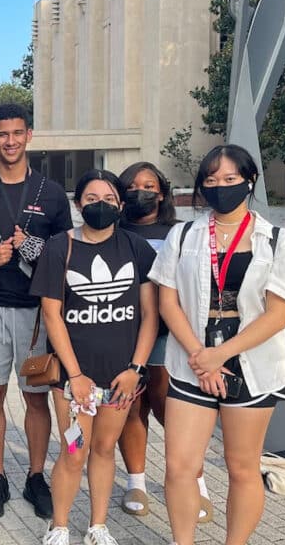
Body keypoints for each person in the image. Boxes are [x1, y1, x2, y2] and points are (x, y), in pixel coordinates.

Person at [149, 145, 285, 545]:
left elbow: (277, 314)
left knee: (242, 467)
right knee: (180, 466)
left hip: (252, 365)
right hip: (191, 362)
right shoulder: (183, 235)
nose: (220, 187)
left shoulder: (276, 241)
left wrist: (221, 354)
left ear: (249, 181)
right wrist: (204, 358)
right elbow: (168, 301)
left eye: (230, 179)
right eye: (211, 181)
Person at [0, 103, 72, 519]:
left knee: (35, 398)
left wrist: (31, 247)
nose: (9, 141)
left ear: (29, 135)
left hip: (38, 313)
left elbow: (66, 254)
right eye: (2, 134)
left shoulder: (51, 193)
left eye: (17, 133)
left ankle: (36, 476)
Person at [31, 170, 158, 545]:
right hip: (73, 381)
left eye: (107, 198)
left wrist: (136, 369)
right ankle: (59, 525)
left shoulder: (136, 248)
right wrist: (74, 375)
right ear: (77, 204)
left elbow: (150, 315)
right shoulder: (59, 247)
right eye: (90, 199)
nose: (99, 205)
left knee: (104, 450)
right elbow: (52, 314)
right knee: (74, 452)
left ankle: (98, 525)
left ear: (120, 204)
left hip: (121, 379)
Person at [113, 163, 213, 522]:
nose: (140, 191)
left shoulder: (180, 233)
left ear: (162, 192)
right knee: (130, 408)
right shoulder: (112, 231)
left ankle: (197, 483)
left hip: (168, 335)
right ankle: (135, 481)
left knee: (170, 408)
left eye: (148, 185)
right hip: (123, 333)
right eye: (132, 186)